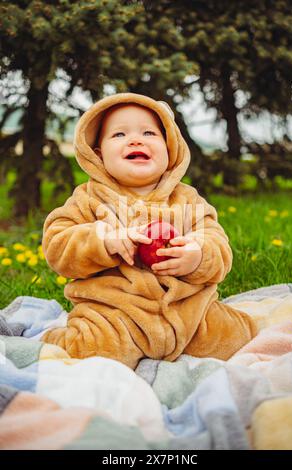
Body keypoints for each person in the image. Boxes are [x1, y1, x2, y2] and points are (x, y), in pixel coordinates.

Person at [42, 92, 257, 369]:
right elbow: (57, 244)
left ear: (170, 149)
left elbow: (216, 242)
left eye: (148, 133)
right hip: (116, 313)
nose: (136, 139)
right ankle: (58, 340)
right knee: (94, 350)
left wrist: (198, 254)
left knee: (236, 336)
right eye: (119, 135)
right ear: (98, 155)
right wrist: (102, 240)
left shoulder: (187, 200)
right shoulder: (89, 199)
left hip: (189, 312)